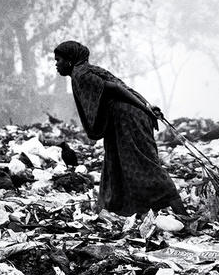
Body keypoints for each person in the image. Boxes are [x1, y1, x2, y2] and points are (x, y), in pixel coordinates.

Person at [54, 40, 188, 217]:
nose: (56, 65)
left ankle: (184, 215)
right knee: (115, 165)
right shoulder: (89, 70)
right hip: (119, 122)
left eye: (58, 60)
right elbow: (124, 87)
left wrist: (145, 108)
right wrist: (145, 106)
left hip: (126, 120)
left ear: (70, 60)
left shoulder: (81, 74)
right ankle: (118, 211)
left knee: (145, 165)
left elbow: (116, 89)